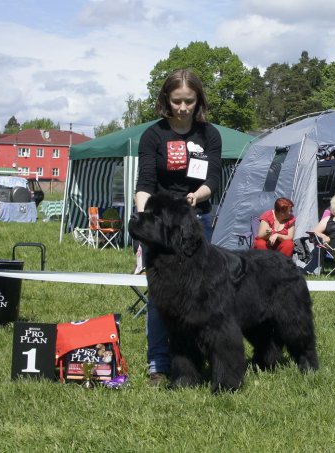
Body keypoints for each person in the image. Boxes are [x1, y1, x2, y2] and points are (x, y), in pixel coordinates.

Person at [134, 68, 222, 386]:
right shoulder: (153, 136)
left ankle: (197, 363)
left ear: (197, 99)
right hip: (160, 226)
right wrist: (143, 225)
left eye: (189, 101)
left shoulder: (209, 135)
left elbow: (212, 180)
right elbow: (144, 183)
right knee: (161, 299)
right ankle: (158, 365)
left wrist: (196, 196)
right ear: (166, 101)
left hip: (198, 221)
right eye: (176, 101)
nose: (183, 108)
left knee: (200, 297)